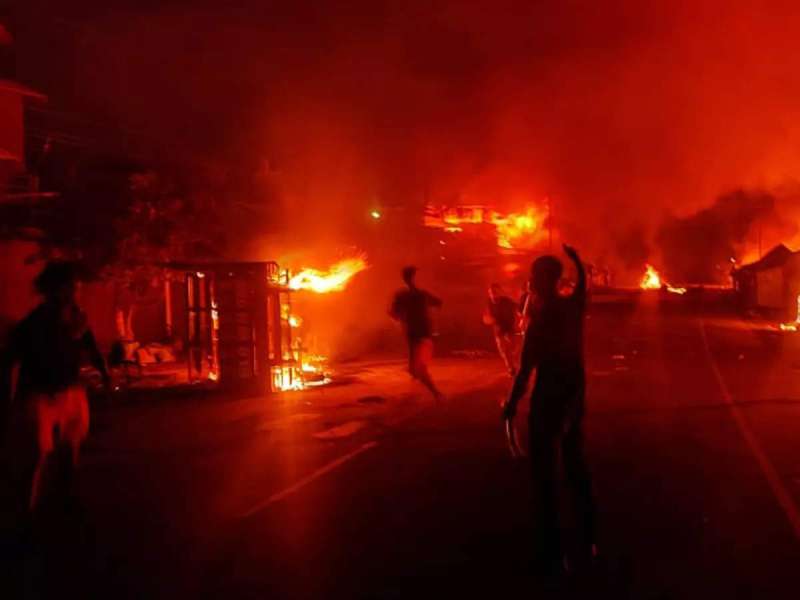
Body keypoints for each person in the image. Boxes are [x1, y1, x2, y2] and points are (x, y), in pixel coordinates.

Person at [502, 244, 596, 576]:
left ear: (541, 281)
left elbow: (526, 369)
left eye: (533, 276)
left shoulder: (541, 322)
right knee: (574, 461)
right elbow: (582, 288)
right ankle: (589, 539)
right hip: (574, 394)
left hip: (549, 398)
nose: (530, 281)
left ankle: (554, 552)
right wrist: (577, 262)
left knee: (544, 472)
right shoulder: (572, 309)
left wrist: (512, 404)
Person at [1, 261, 110, 512]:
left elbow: (89, 344)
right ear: (59, 289)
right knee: (38, 453)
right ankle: (25, 508)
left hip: (70, 389)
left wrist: (103, 371)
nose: (78, 291)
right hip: (41, 394)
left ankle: (65, 496)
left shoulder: (76, 317)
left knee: (71, 444)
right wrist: (9, 397)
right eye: (73, 287)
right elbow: (13, 355)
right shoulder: (37, 322)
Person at [389, 266, 444, 402]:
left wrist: (399, 317)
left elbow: (394, 314)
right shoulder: (419, 295)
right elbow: (439, 303)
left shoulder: (404, 296)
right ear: (413, 278)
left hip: (417, 334)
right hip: (422, 334)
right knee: (416, 367)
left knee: (417, 368)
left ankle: (435, 392)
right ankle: (428, 390)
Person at [483, 284, 520, 375]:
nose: (492, 295)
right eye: (491, 293)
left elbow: (518, 308)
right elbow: (487, 316)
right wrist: (488, 319)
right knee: (504, 350)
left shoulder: (507, 301)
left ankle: (517, 364)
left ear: (499, 292)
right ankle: (511, 368)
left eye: (494, 292)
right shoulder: (489, 303)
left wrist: (519, 320)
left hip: (509, 328)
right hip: (498, 330)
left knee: (514, 348)